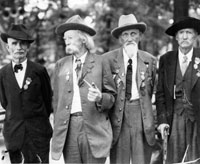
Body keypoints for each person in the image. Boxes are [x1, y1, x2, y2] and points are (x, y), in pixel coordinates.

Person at [51, 15, 116, 164]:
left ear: (83, 39)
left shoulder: (101, 62)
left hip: (94, 129)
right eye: (65, 37)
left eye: (70, 37)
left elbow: (112, 96)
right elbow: (56, 101)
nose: (66, 40)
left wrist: (100, 98)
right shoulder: (61, 65)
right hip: (69, 129)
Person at [103, 14, 157, 164]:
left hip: (142, 115)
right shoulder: (107, 60)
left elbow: (153, 90)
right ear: (120, 38)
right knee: (120, 160)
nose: (129, 38)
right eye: (125, 34)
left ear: (140, 36)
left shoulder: (150, 60)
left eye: (133, 33)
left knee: (141, 160)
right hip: (118, 116)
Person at [0, 24, 53, 163]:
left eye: (23, 43)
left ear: (28, 47)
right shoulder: (2, 74)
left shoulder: (39, 71)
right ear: (8, 47)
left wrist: (37, 120)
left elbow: (48, 102)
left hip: (38, 135)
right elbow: (5, 102)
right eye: (15, 43)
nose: (19, 47)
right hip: (14, 135)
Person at [156, 17, 200, 163]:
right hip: (174, 120)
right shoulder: (166, 59)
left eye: (189, 32)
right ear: (176, 37)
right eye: (181, 33)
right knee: (174, 159)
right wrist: (162, 121)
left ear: (195, 36)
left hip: (197, 121)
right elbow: (161, 93)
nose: (185, 36)